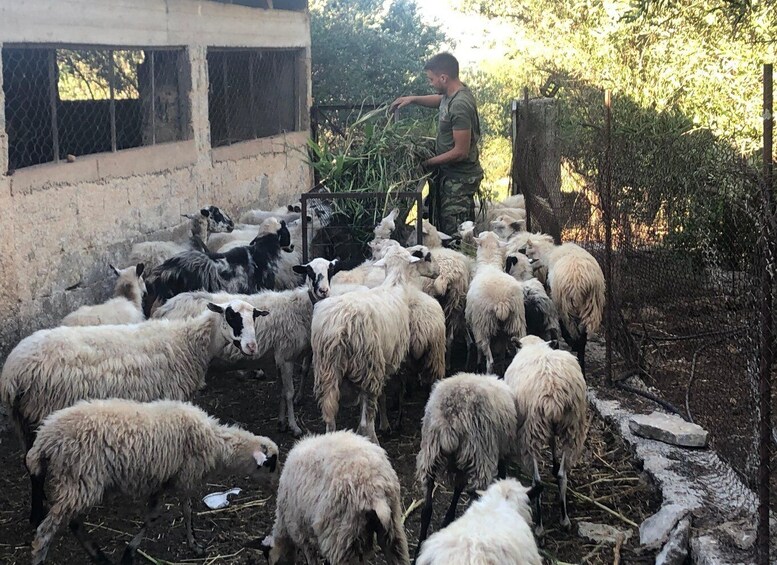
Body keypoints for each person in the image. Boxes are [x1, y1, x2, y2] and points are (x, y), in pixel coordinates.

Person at [390, 52, 483, 236]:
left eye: (431, 79)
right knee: (443, 228)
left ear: (443, 78)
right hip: (449, 175)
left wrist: (427, 163)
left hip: (459, 180)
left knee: (455, 233)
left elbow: (460, 152)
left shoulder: (460, 105)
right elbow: (440, 101)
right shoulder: (451, 95)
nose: (430, 83)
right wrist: (413, 99)